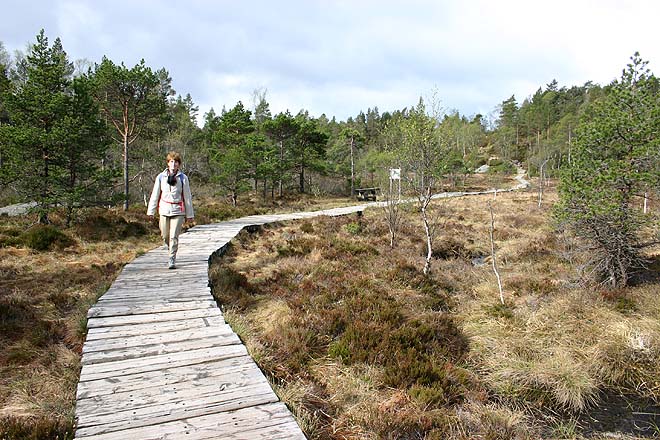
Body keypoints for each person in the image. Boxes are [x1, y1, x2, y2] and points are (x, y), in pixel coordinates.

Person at [147, 151, 194, 269]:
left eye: (176, 162)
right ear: (168, 163)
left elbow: (187, 197)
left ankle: (172, 257)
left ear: (179, 164)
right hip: (164, 209)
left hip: (178, 210)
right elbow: (155, 194)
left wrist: (190, 215)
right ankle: (171, 247)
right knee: (165, 235)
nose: (174, 164)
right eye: (172, 162)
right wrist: (151, 211)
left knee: (174, 236)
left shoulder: (183, 178)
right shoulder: (161, 177)